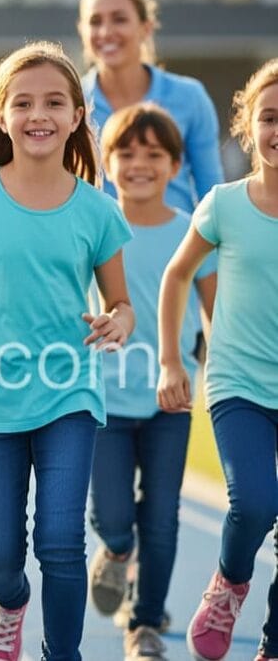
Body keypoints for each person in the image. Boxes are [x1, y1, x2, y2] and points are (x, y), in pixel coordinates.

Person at [0, 41, 134, 661]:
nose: (38, 114)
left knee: (62, 542)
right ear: (1, 115)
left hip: (70, 391)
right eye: (23, 103)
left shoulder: (98, 210)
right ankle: (10, 604)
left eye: (54, 102)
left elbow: (121, 302)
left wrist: (119, 321)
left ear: (76, 116)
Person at [86, 103, 217, 661]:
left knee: (161, 518)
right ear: (107, 162)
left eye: (154, 154)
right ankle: (118, 553)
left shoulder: (193, 231)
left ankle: (145, 624)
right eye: (126, 152)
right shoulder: (95, 224)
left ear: (175, 165)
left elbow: (216, 311)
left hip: (171, 399)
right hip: (104, 399)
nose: (139, 163)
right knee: (112, 517)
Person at [158, 58, 278, 661]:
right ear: (247, 125)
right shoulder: (224, 205)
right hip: (239, 385)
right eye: (269, 117)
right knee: (254, 503)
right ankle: (230, 583)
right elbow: (177, 275)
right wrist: (172, 361)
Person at [77, 0, 224, 213]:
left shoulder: (190, 96)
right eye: (95, 21)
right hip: (97, 236)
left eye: (119, 19)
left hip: (179, 236)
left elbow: (212, 193)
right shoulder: (71, 102)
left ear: (146, 28)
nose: (105, 31)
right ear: (82, 30)